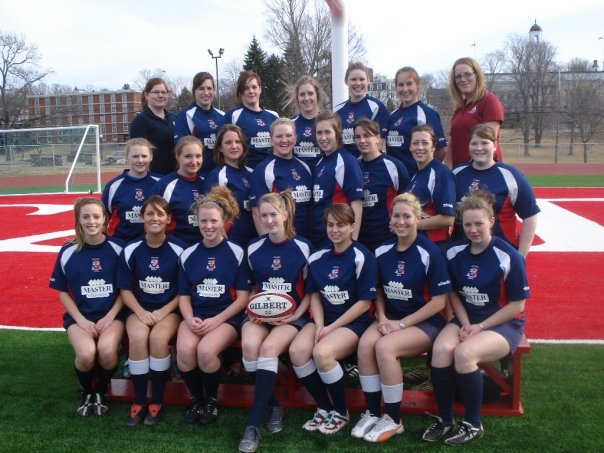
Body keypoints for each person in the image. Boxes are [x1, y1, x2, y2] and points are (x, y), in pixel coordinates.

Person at [423, 191, 529, 446]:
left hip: (502, 324)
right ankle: (445, 418)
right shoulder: (454, 253)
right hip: (466, 320)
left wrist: (480, 326)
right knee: (440, 350)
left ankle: (472, 423)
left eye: (479, 223)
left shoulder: (508, 256)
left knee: (464, 354)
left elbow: (517, 306)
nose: (472, 229)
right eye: (467, 224)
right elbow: (453, 293)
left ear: (491, 221)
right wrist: (466, 322)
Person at [352, 193, 451, 443]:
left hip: (426, 322)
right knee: (365, 346)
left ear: (417, 218)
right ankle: (373, 412)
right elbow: (380, 291)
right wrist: (383, 316)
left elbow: (439, 302)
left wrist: (401, 324)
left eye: (407, 216)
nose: (401, 221)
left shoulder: (430, 251)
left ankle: (394, 419)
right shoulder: (383, 249)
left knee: (385, 347)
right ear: (390, 219)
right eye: (397, 216)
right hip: (391, 317)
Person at [289, 204, 377, 435]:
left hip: (353, 323)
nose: (335, 230)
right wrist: (319, 325)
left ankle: (340, 411)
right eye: (330, 225)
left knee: (322, 353)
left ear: (352, 226)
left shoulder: (363, 256)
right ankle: (324, 406)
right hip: (322, 320)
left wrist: (330, 328)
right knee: (297, 351)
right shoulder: (318, 256)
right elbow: (315, 295)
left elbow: (364, 303)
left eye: (340, 225)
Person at [238, 191, 313, 453]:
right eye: (264, 215)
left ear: (285, 214)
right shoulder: (254, 247)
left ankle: (253, 425)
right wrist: (254, 309)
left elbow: (310, 292)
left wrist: (295, 315)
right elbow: (249, 288)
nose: (269, 220)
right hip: (260, 314)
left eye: (273, 215)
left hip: (293, 316)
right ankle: (274, 404)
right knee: (249, 349)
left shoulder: (304, 247)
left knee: (268, 350)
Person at [176, 186, 251, 426]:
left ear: (224, 222)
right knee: (185, 352)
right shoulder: (188, 254)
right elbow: (184, 296)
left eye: (213, 221)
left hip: (226, 318)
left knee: (206, 352)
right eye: (203, 221)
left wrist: (216, 320)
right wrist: (188, 319)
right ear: (197, 222)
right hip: (195, 316)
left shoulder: (237, 252)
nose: (208, 226)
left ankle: (211, 399)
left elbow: (242, 298)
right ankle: (196, 399)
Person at [49, 197, 124, 417]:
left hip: (112, 316)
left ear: (105, 220)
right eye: (86, 217)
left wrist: (109, 318)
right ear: (78, 220)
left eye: (96, 216)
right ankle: (86, 391)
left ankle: (100, 391)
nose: (91, 221)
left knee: (107, 352)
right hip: (80, 318)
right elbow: (63, 293)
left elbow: (124, 291)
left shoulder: (118, 249)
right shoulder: (68, 251)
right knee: (86, 355)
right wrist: (81, 320)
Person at [117, 195, 186, 426]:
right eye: (150, 214)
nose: (154, 218)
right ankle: (139, 401)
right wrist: (140, 312)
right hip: (139, 309)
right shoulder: (131, 249)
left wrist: (163, 312)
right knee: (137, 337)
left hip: (169, 310)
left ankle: (157, 401)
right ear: (142, 217)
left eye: (160, 214)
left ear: (168, 219)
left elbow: (183, 292)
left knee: (158, 338)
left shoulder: (179, 249)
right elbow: (125, 291)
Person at [453, 124, 540, 258]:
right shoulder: (456, 173)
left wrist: (521, 257)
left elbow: (530, 215)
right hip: (461, 254)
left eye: (484, 143)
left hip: (501, 253)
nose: (479, 148)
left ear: (494, 145)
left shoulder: (511, 175)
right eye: (474, 143)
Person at [250, 118, 313, 238]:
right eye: (279, 136)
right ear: (271, 140)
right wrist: (267, 244)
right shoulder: (263, 170)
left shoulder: (305, 167)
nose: (284, 140)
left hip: (308, 240)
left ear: (295, 138)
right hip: (280, 242)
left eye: (289, 135)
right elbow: (257, 212)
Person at [311, 111, 364, 248]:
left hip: (338, 239)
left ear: (337, 133)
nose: (323, 137)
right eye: (319, 133)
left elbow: (356, 204)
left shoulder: (347, 162)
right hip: (319, 236)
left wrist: (353, 242)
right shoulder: (320, 162)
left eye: (328, 132)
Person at [354, 118, 409, 252]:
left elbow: (408, 201)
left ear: (378, 138)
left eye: (367, 135)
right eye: (358, 137)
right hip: (359, 240)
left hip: (387, 240)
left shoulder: (394, 166)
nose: (362, 140)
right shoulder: (353, 165)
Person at [387, 67, 448, 177]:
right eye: (400, 85)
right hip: (395, 178)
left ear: (417, 85)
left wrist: (423, 174)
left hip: (416, 179)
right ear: (396, 87)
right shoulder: (392, 116)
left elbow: (441, 150)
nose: (405, 89)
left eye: (409, 84)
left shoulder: (427, 114)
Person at [446, 57, 504, 168]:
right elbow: (452, 144)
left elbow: (487, 141)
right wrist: (448, 170)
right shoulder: (460, 108)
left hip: (483, 171)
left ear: (477, 75)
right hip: (460, 172)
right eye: (458, 76)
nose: (462, 79)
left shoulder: (489, 101)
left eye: (467, 74)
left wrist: (472, 172)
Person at [204, 124, 255, 247]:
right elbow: (211, 215)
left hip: (254, 238)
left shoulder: (252, 173)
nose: (234, 146)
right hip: (232, 241)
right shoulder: (218, 176)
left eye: (238, 141)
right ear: (220, 148)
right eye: (228, 142)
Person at [102, 138, 161, 242]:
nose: (140, 160)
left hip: (152, 245)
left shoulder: (161, 183)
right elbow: (103, 218)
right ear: (127, 158)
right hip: (121, 245)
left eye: (144, 156)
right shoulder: (113, 186)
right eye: (135, 156)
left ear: (151, 157)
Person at [405, 125, 456, 245]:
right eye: (415, 143)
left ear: (433, 146)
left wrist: (408, 225)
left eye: (425, 143)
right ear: (410, 147)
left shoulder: (441, 173)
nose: (420, 147)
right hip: (417, 244)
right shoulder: (416, 175)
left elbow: (447, 218)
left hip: (436, 245)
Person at [150, 135, 205, 246]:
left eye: (198, 156)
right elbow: (153, 221)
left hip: (203, 249)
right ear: (177, 156)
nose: (194, 161)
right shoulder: (164, 186)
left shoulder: (207, 184)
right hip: (175, 248)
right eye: (188, 156)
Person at [173, 72, 225, 178]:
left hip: (220, 175)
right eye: (201, 88)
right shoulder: (186, 116)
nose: (206, 92)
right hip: (197, 177)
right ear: (194, 92)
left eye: (209, 88)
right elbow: (181, 150)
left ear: (214, 91)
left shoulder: (222, 115)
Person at [224, 71, 279, 168]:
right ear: (241, 92)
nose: (251, 91)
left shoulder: (274, 116)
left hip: (271, 171)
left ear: (260, 89)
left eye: (254, 87)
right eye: (246, 88)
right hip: (245, 172)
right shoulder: (233, 115)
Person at [334, 62, 389, 157]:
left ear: (368, 80)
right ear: (346, 81)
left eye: (362, 79)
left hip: (367, 166)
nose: (358, 83)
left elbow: (379, 142)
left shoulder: (376, 107)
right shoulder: (337, 110)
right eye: (353, 79)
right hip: (343, 164)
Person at [130, 77, 177, 175]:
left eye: (163, 92)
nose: (160, 95)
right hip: (155, 177)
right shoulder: (141, 120)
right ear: (146, 95)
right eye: (156, 92)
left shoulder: (174, 118)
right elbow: (137, 152)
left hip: (175, 175)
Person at [290, 75, 324, 170]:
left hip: (322, 178)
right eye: (302, 94)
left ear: (317, 95)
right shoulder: (290, 125)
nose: (306, 98)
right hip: (298, 179)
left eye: (310, 93)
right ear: (297, 98)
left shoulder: (327, 123)